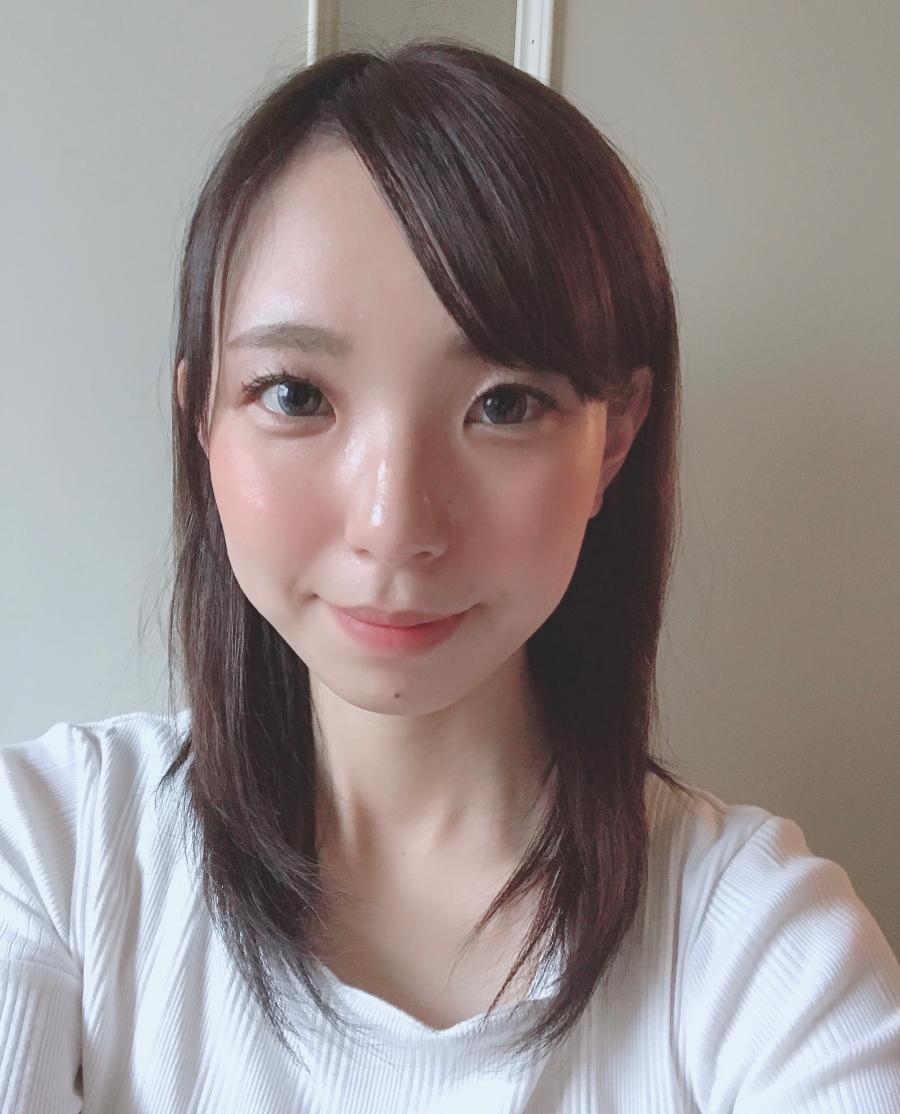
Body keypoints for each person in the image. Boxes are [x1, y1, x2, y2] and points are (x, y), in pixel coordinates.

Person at [1, 39, 898, 1114]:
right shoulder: (50, 853)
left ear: (613, 441)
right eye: (295, 395)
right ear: (201, 417)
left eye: (504, 404)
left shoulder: (758, 949)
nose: (394, 529)